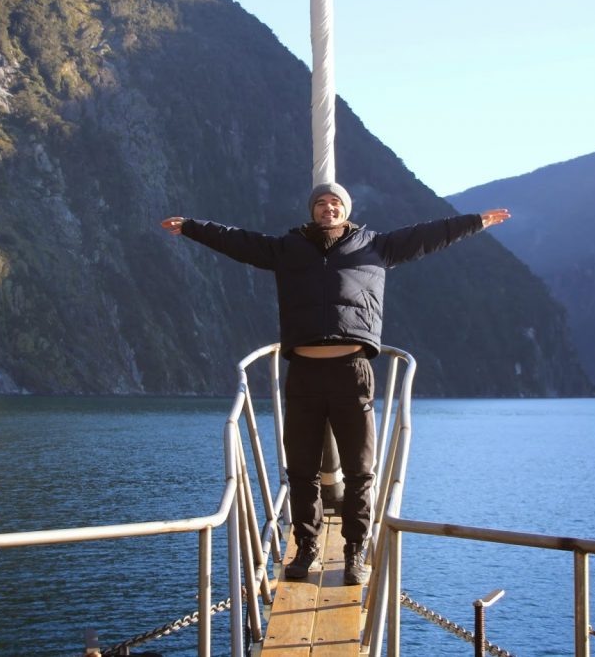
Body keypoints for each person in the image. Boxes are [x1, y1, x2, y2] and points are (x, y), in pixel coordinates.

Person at [162, 183, 509, 585]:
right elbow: (238, 241)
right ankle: (306, 549)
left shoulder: (377, 247)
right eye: (322, 203)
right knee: (301, 468)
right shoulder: (287, 249)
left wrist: (475, 222)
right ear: (312, 210)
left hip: (352, 370)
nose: (329, 207)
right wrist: (192, 227)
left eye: (336, 202)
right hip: (305, 373)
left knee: (361, 471)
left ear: (347, 209)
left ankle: (354, 552)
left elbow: (428, 235)